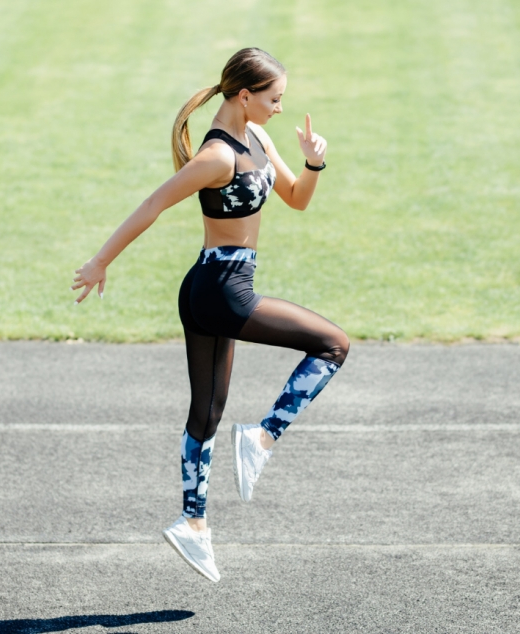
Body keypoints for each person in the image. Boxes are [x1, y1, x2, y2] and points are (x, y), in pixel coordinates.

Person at [71, 48, 349, 583]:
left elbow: (296, 198)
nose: (280, 109)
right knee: (333, 344)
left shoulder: (259, 138)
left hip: (211, 289)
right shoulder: (219, 156)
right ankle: (263, 437)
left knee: (208, 411)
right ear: (244, 95)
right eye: (274, 99)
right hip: (222, 290)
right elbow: (152, 205)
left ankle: (192, 523)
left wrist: (315, 161)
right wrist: (99, 261)